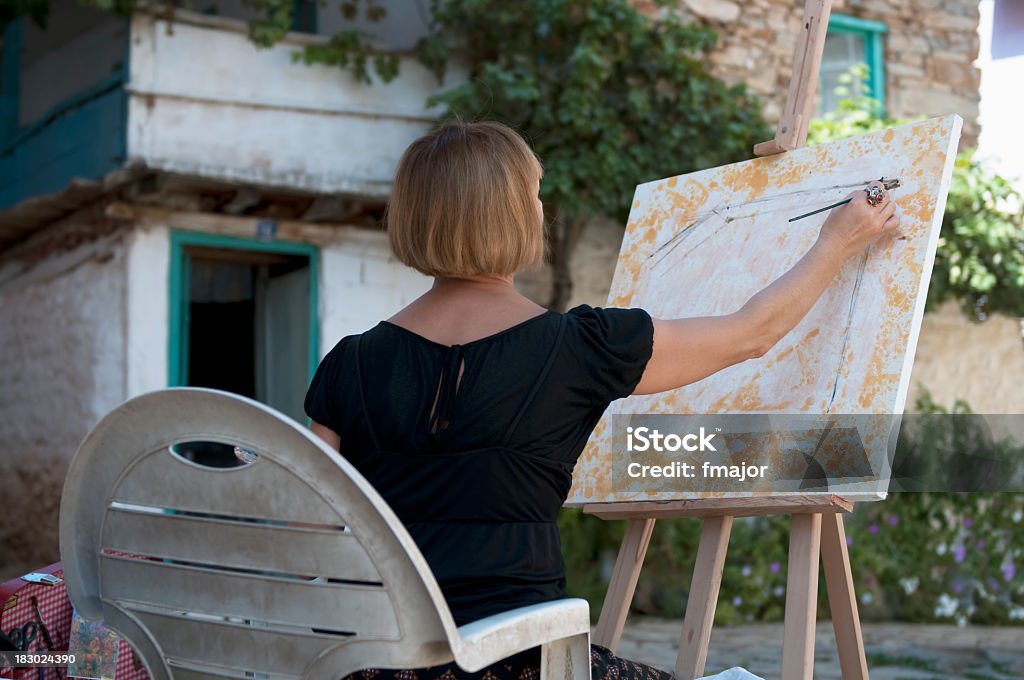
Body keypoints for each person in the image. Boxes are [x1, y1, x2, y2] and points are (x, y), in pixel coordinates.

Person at [304, 120, 898, 679]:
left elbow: (313, 524)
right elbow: (752, 333)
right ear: (511, 216)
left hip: (377, 664)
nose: (541, 207)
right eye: (534, 194)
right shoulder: (580, 348)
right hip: (521, 665)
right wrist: (836, 243)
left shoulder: (347, 363)